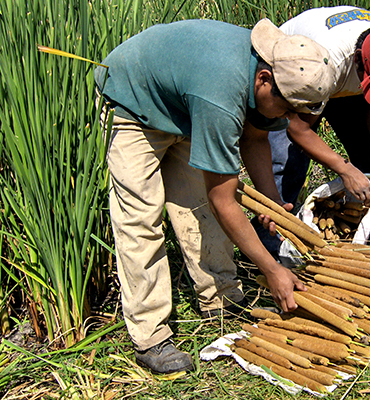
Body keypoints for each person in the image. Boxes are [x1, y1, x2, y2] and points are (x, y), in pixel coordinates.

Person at [94, 18, 335, 374]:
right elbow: (225, 199)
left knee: (198, 210)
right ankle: (150, 337)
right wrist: (271, 269)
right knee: (141, 219)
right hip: (133, 101)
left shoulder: (273, 70)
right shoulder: (222, 94)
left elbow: (254, 138)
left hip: (184, 103)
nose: (286, 118)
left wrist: (271, 205)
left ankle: (222, 299)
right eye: (285, 109)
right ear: (264, 80)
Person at [255, 6, 370, 258]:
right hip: (300, 71)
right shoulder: (327, 57)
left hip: (348, 75)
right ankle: (273, 232)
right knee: (285, 158)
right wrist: (344, 169)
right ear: (357, 59)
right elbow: (297, 127)